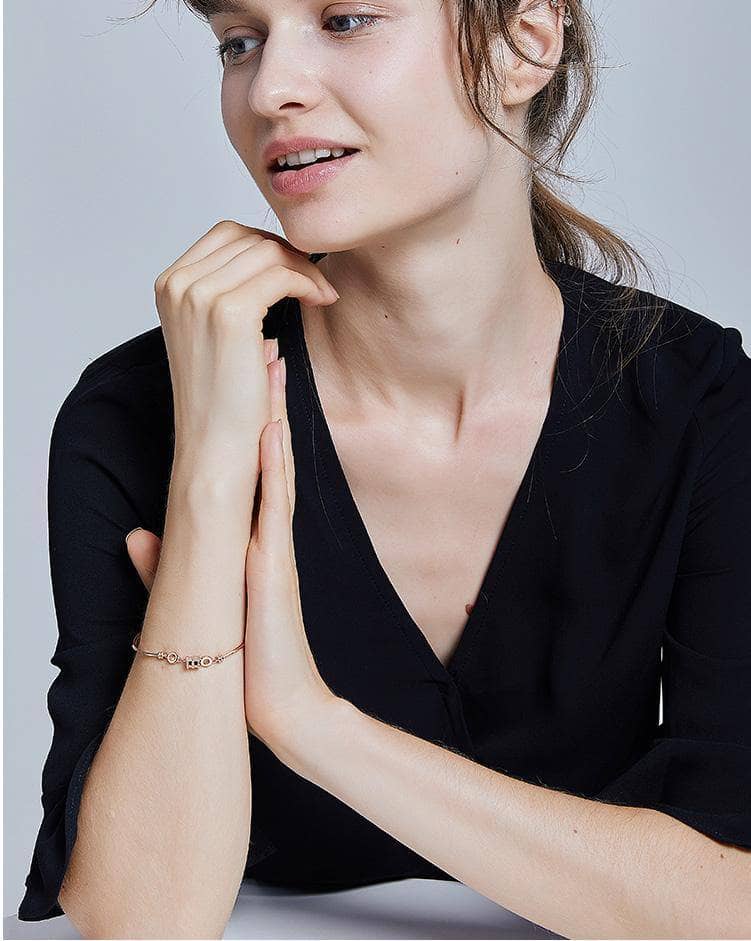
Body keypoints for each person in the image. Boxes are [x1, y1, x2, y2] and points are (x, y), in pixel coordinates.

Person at [18, 0, 751, 936]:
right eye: (239, 42)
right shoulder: (133, 415)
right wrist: (209, 469)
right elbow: (140, 917)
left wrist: (311, 723)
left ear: (523, 43)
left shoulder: (697, 402)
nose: (270, 90)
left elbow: (728, 899)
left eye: (346, 19)